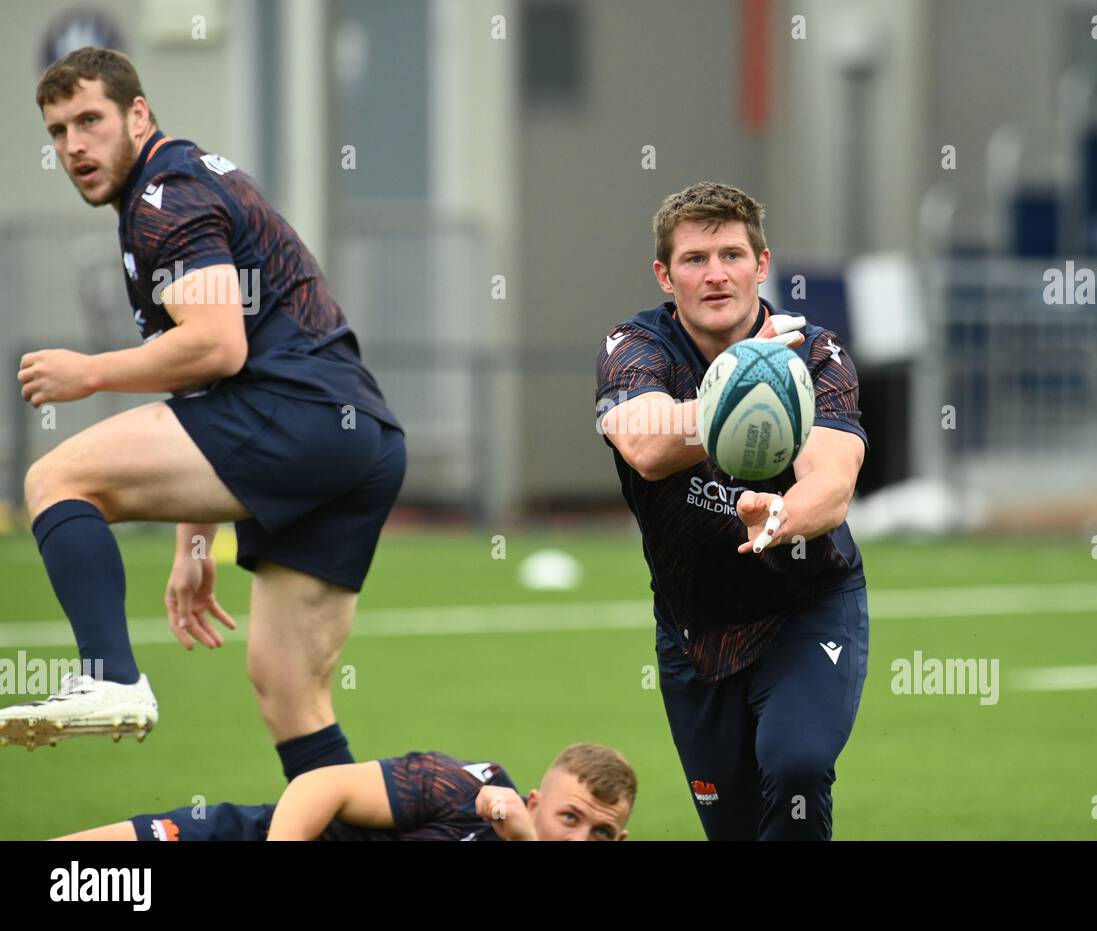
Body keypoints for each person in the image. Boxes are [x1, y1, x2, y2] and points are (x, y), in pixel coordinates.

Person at [1, 47, 405, 786]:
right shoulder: (177, 184)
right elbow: (207, 381)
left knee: (56, 478)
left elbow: (218, 346)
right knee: (291, 694)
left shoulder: (166, 194)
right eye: (58, 132)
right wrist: (195, 541)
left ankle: (111, 678)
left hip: (296, 416)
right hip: (360, 442)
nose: (74, 146)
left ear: (139, 114)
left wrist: (88, 373)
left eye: (90, 120)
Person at [594, 182, 869, 840]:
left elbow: (830, 484)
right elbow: (648, 445)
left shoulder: (818, 354)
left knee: (797, 765)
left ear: (762, 264)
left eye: (732, 254)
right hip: (695, 630)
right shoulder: (634, 347)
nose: (716, 274)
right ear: (665, 274)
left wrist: (781, 518)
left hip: (805, 605)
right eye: (694, 259)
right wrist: (751, 377)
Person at [54, 743, 637, 842]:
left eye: (601, 834)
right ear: (533, 803)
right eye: (568, 818)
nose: (579, 839)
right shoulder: (457, 790)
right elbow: (320, 785)